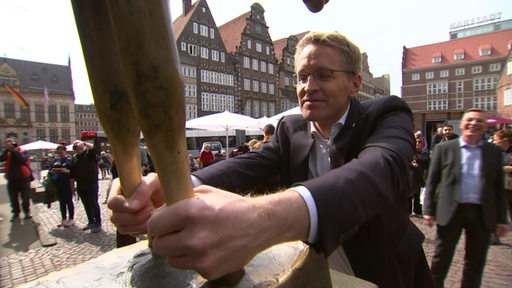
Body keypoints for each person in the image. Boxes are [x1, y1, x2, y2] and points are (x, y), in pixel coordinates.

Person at [108, 31, 432, 287]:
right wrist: (176, 185)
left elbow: (378, 171)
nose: (309, 87)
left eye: (323, 75)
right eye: (302, 77)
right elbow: (248, 164)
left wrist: (262, 220)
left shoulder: (386, 113)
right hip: (314, 263)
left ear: (355, 83)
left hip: (381, 264)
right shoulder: (291, 128)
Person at [423, 108, 509, 288]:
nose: (474, 124)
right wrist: (429, 210)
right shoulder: (444, 149)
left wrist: (501, 218)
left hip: (481, 213)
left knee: (475, 262)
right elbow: (432, 182)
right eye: (470, 120)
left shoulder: (493, 152)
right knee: (441, 258)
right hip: (451, 211)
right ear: (461, 124)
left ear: (485, 126)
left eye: (479, 121)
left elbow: (498, 189)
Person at [70, 139, 102, 233]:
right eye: (77, 148)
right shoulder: (74, 159)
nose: (79, 150)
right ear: (75, 150)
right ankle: (91, 221)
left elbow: (93, 148)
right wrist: (72, 187)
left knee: (93, 203)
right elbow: (72, 174)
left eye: (80, 148)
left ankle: (98, 223)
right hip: (81, 184)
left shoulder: (89, 154)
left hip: (92, 183)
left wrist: (84, 143)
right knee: (86, 204)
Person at [0, 137, 32, 221]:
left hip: (23, 178)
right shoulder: (7, 152)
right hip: (12, 179)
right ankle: (16, 213)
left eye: (11, 143)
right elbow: (1, 159)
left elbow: (22, 160)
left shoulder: (23, 151)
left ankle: (27, 212)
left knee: (25, 197)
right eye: (7, 143)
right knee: (13, 198)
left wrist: (14, 150)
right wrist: (7, 150)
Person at [491, 128, 512, 244]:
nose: (494, 141)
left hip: (509, 187)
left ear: (505, 140)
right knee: (495, 209)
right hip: (499, 186)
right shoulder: (495, 151)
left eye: (496, 139)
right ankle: (494, 235)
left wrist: (505, 168)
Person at [48, 144, 75, 227]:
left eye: (61, 152)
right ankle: (63, 218)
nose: (60, 154)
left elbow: (74, 172)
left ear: (65, 151)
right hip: (58, 184)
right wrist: (52, 171)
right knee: (62, 202)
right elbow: (49, 170)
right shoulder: (55, 161)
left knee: (69, 201)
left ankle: (71, 218)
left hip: (67, 183)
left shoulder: (70, 160)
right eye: (58, 152)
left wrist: (66, 171)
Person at [409, 135, 429, 217]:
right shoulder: (409, 153)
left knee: (418, 194)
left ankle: (418, 211)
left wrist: (427, 177)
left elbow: (428, 165)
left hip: (420, 177)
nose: (417, 143)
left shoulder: (425, 153)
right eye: (416, 142)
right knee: (409, 194)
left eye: (419, 142)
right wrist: (410, 163)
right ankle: (408, 211)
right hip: (410, 177)